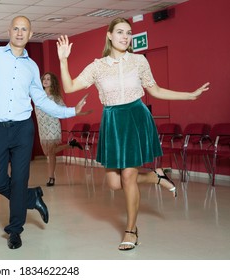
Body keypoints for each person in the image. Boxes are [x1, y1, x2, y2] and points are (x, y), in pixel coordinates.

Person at [56, 17, 210, 250]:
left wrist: (188, 95)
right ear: (109, 35)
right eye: (120, 32)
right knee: (114, 183)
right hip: (112, 121)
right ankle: (155, 177)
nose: (125, 36)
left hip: (135, 117)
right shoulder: (97, 66)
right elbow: (69, 87)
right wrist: (63, 60)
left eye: (128, 32)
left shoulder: (138, 61)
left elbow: (155, 90)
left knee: (128, 177)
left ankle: (131, 231)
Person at [0, 15, 88, 249]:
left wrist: (71, 111)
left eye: (25, 29)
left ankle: (15, 230)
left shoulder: (32, 66)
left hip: (23, 129)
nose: (20, 33)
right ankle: (32, 198)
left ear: (31, 35)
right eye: (16, 28)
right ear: (9, 31)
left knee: (20, 181)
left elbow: (41, 100)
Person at [36, 72, 92, 187]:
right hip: (42, 127)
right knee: (47, 152)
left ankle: (51, 177)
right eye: (44, 79)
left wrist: (81, 113)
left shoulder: (56, 97)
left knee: (51, 153)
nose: (45, 81)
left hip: (52, 126)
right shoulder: (38, 95)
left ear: (53, 82)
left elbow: (65, 111)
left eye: (49, 79)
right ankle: (71, 144)